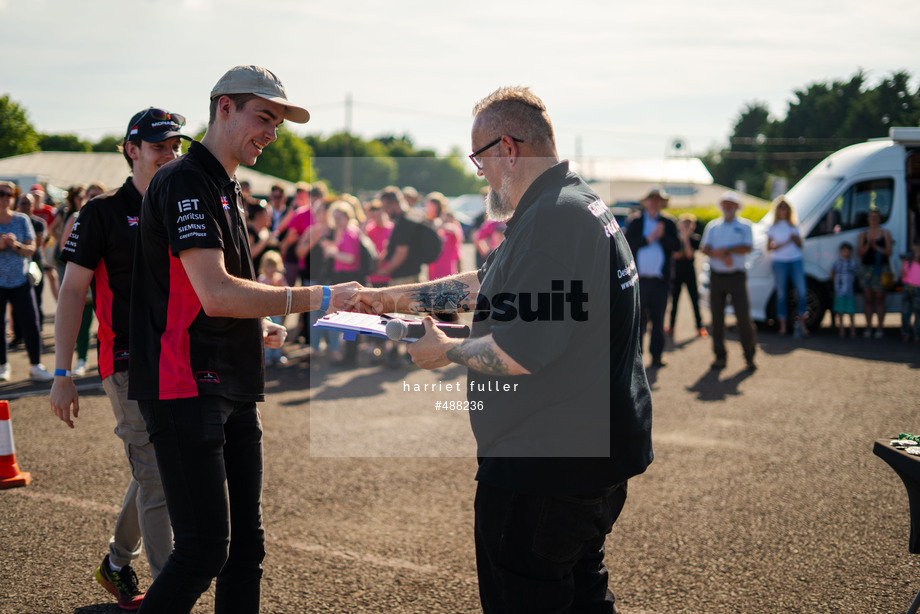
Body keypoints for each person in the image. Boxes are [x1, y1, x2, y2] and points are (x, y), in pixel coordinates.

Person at [349, 86, 653, 614]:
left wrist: (444, 350)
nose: (479, 173)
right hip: (591, 456)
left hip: (545, 466)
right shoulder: (571, 202)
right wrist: (391, 297)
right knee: (581, 592)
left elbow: (519, 353)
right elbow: (486, 284)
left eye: (479, 158)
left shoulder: (551, 221)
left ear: (508, 149)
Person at [127, 65, 356, 614]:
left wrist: (259, 323)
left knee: (245, 550)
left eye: (279, 122)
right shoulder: (183, 179)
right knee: (205, 550)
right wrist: (319, 297)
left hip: (230, 380)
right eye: (265, 117)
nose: (272, 132)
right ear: (224, 107)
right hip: (184, 382)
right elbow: (217, 294)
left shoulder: (225, 183)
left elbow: (216, 295)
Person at [49, 107, 191, 610]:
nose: (170, 155)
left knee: (154, 469)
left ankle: (115, 562)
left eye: (176, 147)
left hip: (180, 360)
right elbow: (71, 294)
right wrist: (63, 373)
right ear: (131, 150)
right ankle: (171, 598)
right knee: (157, 477)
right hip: (127, 362)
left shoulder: (183, 206)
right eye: (159, 147)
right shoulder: (102, 211)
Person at [0, 181, 53, 382]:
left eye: (9, 194)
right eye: (1, 193)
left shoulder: (22, 220)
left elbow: (32, 249)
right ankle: (3, 365)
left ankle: (35, 365)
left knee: (31, 322)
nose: (5, 197)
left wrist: (15, 245)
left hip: (21, 279)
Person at [700, 191, 757, 371]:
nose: (727, 207)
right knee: (717, 319)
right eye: (725, 204)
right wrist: (717, 253)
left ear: (737, 207)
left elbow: (747, 247)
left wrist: (726, 251)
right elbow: (705, 247)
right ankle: (720, 356)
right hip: (717, 276)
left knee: (743, 319)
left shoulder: (745, 226)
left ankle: (749, 356)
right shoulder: (713, 226)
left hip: (736, 276)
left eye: (731, 204)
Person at [625, 187, 680, 368]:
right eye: (652, 199)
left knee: (658, 320)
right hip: (640, 280)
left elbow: (676, 246)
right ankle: (636, 358)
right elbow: (627, 245)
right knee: (638, 321)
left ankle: (657, 356)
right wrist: (647, 239)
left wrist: (662, 237)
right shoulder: (636, 222)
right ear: (645, 201)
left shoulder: (668, 222)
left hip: (660, 280)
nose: (655, 202)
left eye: (658, 199)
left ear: (663, 203)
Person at [766, 196, 808, 338]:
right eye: (780, 207)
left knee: (801, 292)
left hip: (795, 260)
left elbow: (800, 245)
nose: (783, 209)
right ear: (776, 210)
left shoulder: (794, 226)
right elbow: (769, 247)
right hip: (779, 262)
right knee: (781, 294)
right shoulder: (773, 228)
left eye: (785, 207)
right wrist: (785, 242)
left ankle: (801, 324)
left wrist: (794, 238)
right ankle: (783, 326)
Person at [667, 212, 706, 338]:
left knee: (694, 299)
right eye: (684, 223)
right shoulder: (674, 238)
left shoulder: (695, 239)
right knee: (675, 300)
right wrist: (682, 239)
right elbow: (676, 255)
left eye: (689, 224)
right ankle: (671, 326)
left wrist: (686, 239)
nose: (686, 226)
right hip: (676, 272)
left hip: (690, 272)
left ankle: (699, 326)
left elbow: (689, 254)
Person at [857, 208, 893, 338]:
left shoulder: (885, 233)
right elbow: (860, 253)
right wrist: (869, 245)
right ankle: (868, 327)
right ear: (868, 219)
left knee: (879, 298)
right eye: (871, 217)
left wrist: (877, 247)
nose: (873, 220)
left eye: (876, 217)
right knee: (867, 298)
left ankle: (880, 328)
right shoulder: (863, 234)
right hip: (866, 269)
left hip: (881, 269)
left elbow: (889, 252)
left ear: (879, 219)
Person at [257, 250, 288, 366]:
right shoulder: (261, 279)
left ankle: (277, 355)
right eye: (269, 266)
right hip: (265, 312)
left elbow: (286, 291)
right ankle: (266, 357)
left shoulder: (279, 278)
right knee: (267, 335)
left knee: (278, 331)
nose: (271, 270)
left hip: (277, 311)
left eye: (274, 266)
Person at [424, 191, 464, 281]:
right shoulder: (428, 225)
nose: (426, 209)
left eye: (429, 206)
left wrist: (440, 225)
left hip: (448, 273)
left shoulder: (450, 225)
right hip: (433, 272)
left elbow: (457, 236)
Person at [831, 242, 858, 339]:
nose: (845, 253)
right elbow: (832, 272)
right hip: (839, 291)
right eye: (843, 250)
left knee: (851, 311)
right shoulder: (837, 263)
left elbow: (855, 274)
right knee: (840, 311)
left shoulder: (853, 262)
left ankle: (852, 330)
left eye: (847, 251)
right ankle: (841, 330)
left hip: (849, 291)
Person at [900, 239, 920, 342]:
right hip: (908, 288)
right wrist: (903, 263)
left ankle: (917, 334)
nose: (914, 253)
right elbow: (902, 275)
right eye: (912, 251)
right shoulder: (908, 263)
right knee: (905, 312)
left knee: (918, 313)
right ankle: (905, 333)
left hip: (918, 289)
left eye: (916, 251)